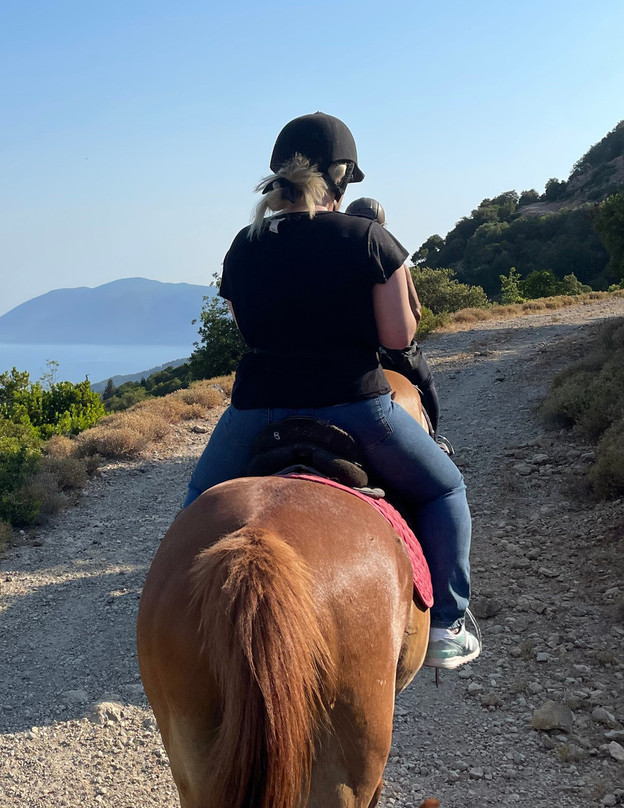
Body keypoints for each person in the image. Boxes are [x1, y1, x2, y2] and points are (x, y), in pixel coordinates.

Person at [183, 113, 479, 669]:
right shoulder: (369, 238)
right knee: (445, 492)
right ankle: (445, 626)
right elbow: (397, 336)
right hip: (357, 406)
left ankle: (183, 630)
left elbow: (246, 328)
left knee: (195, 510)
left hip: (257, 409)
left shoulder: (244, 246)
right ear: (339, 178)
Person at [345, 197, 444, 442]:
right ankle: (435, 441)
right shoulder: (390, 252)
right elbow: (415, 309)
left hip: (349, 349)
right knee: (426, 386)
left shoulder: (337, 254)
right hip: (392, 350)